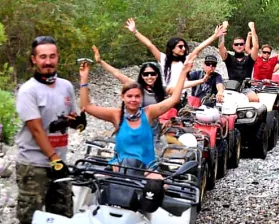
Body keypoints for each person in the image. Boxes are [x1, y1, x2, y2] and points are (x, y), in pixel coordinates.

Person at [79, 48, 196, 176]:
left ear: (141, 98)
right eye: (129, 96)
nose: (133, 100)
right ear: (122, 97)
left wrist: (184, 71)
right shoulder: (116, 115)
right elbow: (87, 106)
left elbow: (174, 99)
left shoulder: (149, 112)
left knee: (160, 185)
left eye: (137, 96)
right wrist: (84, 79)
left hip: (146, 166)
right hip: (119, 165)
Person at [14, 36, 81, 224]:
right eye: (43, 57)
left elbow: (74, 120)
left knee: (63, 214)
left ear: (58, 58)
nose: (48, 61)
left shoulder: (66, 87)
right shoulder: (28, 90)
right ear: (34, 59)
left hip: (59, 161)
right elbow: (36, 129)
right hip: (34, 164)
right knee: (30, 217)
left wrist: (77, 122)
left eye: (52, 56)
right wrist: (54, 159)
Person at [92, 46, 166, 141]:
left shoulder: (162, 90)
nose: (149, 77)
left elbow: (179, 88)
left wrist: (187, 72)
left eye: (153, 74)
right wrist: (100, 61)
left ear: (157, 75)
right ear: (141, 76)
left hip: (152, 130)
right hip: (133, 127)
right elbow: (117, 73)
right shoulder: (136, 87)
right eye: (146, 74)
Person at [125, 18, 187, 94]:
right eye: (180, 46)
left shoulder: (186, 60)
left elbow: (198, 49)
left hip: (180, 95)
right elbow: (149, 45)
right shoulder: (163, 59)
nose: (183, 49)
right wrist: (135, 31)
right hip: (166, 94)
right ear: (172, 48)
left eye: (184, 46)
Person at [219, 21, 259, 101]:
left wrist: (252, 29)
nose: (239, 46)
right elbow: (220, 47)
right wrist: (223, 30)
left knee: (255, 99)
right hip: (231, 87)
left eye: (241, 44)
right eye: (236, 44)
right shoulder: (229, 58)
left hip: (246, 88)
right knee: (219, 100)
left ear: (244, 46)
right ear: (233, 46)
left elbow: (256, 47)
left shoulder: (249, 59)